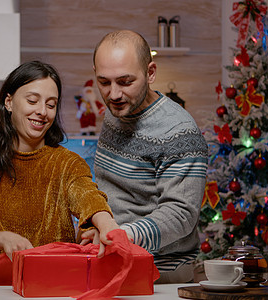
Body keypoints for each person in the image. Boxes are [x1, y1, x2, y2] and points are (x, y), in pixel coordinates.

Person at [0, 61, 120, 276]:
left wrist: (103, 223)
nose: (42, 112)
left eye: (51, 105)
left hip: (54, 287)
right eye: (32, 101)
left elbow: (87, 195)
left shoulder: (67, 162)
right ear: (9, 102)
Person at [92, 30, 208, 283]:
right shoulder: (116, 112)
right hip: (113, 260)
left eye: (125, 82)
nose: (113, 94)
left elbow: (181, 214)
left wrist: (122, 234)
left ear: (151, 73)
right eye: (104, 82)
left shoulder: (178, 131)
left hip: (160, 272)